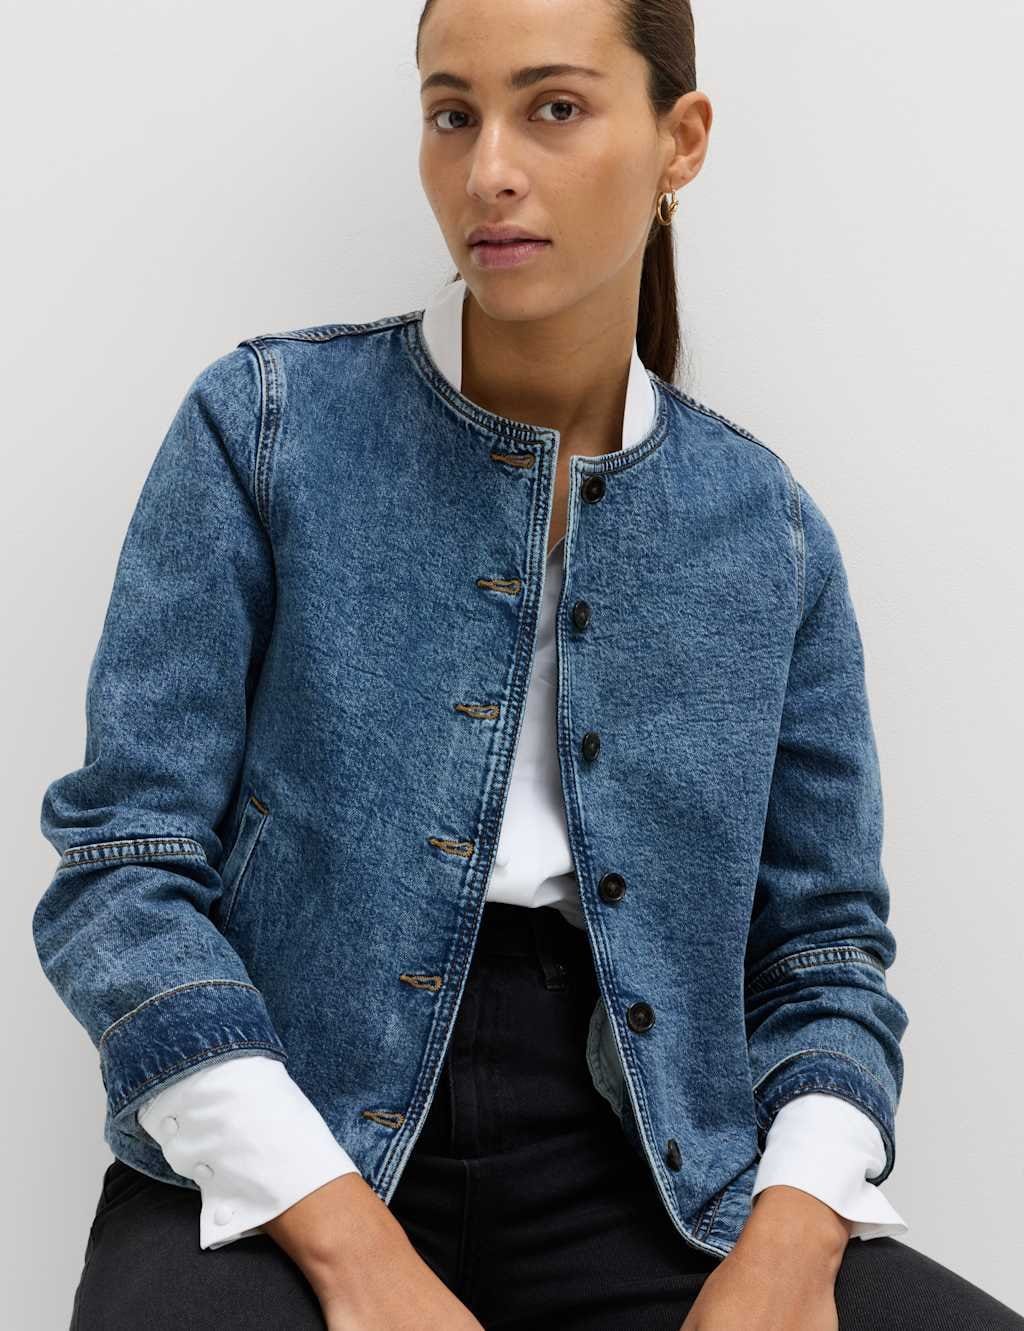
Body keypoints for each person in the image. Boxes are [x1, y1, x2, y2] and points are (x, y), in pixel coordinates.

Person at [33, 1, 1023, 1328]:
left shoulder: (768, 532)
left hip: (649, 1165)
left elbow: (826, 955)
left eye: (554, 108)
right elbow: (122, 872)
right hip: (284, 1122)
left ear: (681, 141)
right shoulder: (266, 428)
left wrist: (790, 1242)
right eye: (453, 114)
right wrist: (351, 1245)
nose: (489, 168)